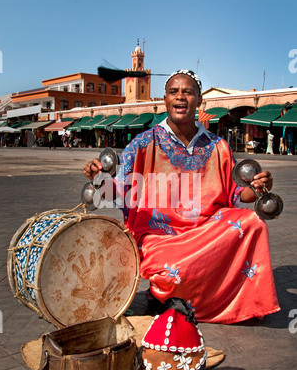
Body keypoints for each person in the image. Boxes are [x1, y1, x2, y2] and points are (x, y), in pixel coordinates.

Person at [84, 69, 279, 324]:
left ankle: (200, 300)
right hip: (160, 236)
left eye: (188, 92)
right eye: (173, 92)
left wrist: (258, 187)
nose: (180, 97)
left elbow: (235, 195)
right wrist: (99, 181)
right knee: (168, 268)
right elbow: (120, 190)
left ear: (199, 101)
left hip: (207, 231)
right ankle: (167, 294)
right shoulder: (143, 144)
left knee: (252, 224)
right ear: (164, 99)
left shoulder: (218, 146)